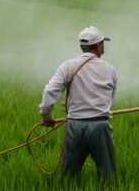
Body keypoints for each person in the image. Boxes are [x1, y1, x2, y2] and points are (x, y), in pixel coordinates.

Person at [39, 26, 118, 185]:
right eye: (103, 43)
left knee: (68, 177)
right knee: (108, 177)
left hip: (75, 125)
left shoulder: (68, 66)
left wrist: (46, 116)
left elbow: (50, 91)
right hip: (100, 126)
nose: (103, 46)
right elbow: (110, 99)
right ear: (98, 45)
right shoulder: (110, 69)